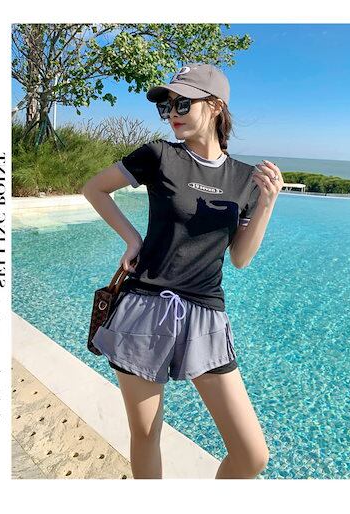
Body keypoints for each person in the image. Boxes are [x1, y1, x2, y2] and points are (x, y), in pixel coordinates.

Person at [82, 62, 284, 479]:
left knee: (251, 455)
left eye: (182, 104)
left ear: (215, 106)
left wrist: (266, 204)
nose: (171, 113)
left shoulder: (245, 179)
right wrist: (132, 239)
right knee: (145, 433)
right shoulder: (159, 155)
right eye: (167, 106)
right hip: (143, 307)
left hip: (205, 315)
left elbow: (240, 258)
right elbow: (94, 188)